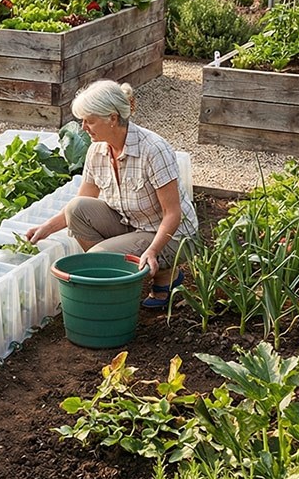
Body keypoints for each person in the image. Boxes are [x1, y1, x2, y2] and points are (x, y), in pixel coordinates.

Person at [26, 79, 197, 309]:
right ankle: (122, 275)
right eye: (82, 121)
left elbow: (173, 213)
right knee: (77, 209)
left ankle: (160, 277)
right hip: (133, 223)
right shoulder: (97, 150)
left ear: (113, 119)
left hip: (172, 234)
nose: (84, 127)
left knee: (97, 256)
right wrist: (46, 228)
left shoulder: (153, 149)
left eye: (90, 121)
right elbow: (81, 202)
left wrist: (153, 250)